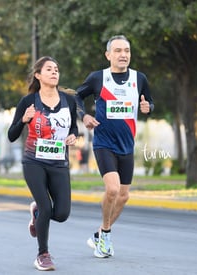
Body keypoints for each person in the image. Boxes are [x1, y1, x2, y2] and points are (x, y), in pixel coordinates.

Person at [75, 35, 154, 258]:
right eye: (118, 51)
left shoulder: (140, 79)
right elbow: (76, 98)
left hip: (127, 144)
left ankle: (100, 233)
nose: (123, 55)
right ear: (108, 55)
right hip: (103, 143)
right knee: (112, 189)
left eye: (127, 50)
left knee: (124, 196)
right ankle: (106, 236)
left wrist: (149, 107)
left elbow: (149, 101)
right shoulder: (98, 78)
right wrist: (85, 116)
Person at [8, 56, 78, 271]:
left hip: (59, 162)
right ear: (38, 75)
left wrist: (74, 136)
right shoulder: (28, 102)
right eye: (49, 69)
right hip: (34, 162)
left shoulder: (69, 101)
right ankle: (43, 254)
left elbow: (73, 127)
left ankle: (37, 212)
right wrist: (23, 120)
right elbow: (12, 135)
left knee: (62, 214)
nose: (54, 72)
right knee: (47, 207)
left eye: (56, 69)